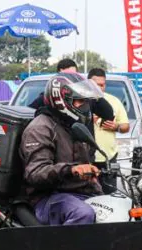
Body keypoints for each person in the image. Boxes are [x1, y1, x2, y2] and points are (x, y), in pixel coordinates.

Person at [19, 73, 104, 225]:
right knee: (83, 214)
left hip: (80, 193)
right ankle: (65, 249)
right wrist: (71, 170)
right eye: (79, 101)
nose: (85, 106)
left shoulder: (73, 125)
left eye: (86, 101)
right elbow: (35, 173)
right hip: (49, 198)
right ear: (61, 99)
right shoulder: (41, 128)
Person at [88, 68, 130, 194]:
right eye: (97, 85)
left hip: (108, 158)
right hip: (86, 159)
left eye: (103, 84)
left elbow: (126, 126)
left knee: (110, 196)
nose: (101, 88)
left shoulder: (114, 101)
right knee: (87, 197)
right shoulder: (80, 102)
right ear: (89, 83)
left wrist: (116, 127)